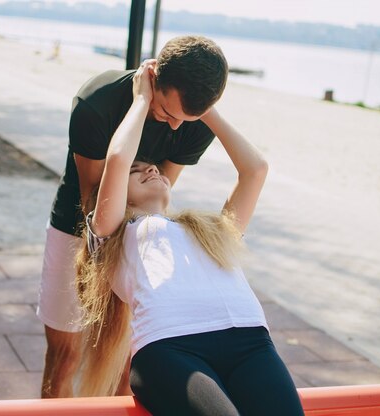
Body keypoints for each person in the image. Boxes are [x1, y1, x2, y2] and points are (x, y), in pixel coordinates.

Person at [75, 61, 305, 416]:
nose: (150, 168)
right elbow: (119, 157)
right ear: (117, 193)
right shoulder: (112, 233)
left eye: (149, 166)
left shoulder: (207, 230)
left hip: (250, 341)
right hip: (172, 348)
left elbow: (255, 170)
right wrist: (142, 99)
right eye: (137, 171)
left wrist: (201, 106)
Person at [36, 35, 228, 398]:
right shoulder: (98, 103)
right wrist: (141, 106)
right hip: (77, 230)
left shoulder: (195, 121)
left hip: (141, 234)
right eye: (168, 113)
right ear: (154, 75)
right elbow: (94, 206)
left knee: (131, 366)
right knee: (64, 358)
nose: (175, 127)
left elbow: (158, 194)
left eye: (185, 120)